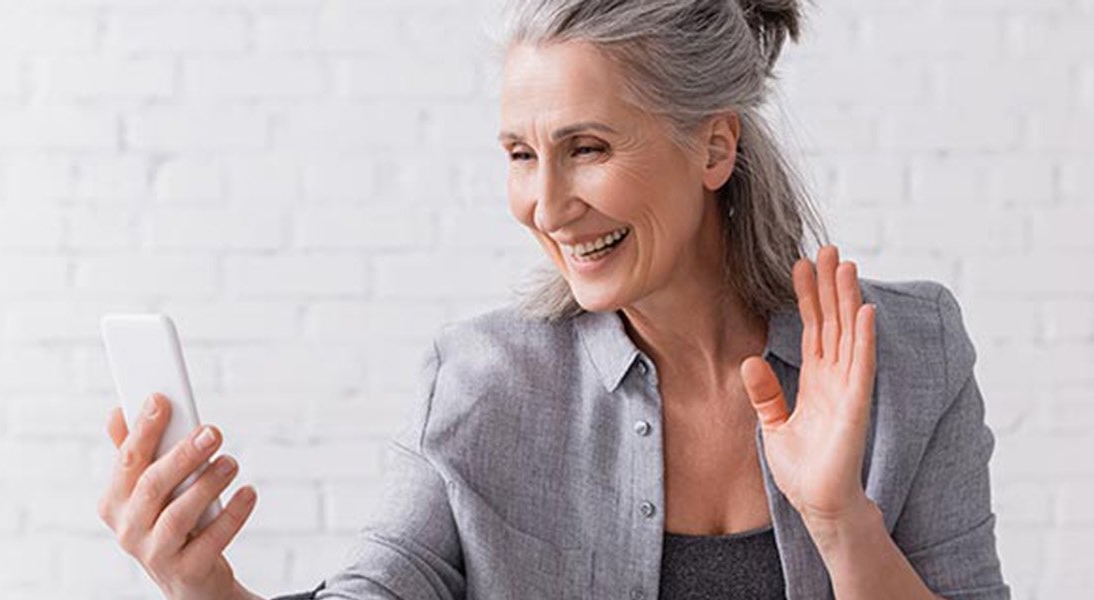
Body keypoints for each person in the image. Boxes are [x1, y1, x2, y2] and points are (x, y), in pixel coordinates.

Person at [95, 0, 1011, 598]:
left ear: (713, 149)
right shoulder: (483, 382)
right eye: (520, 155)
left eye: (589, 148)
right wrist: (205, 586)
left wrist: (839, 521)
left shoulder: (907, 356)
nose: (545, 204)